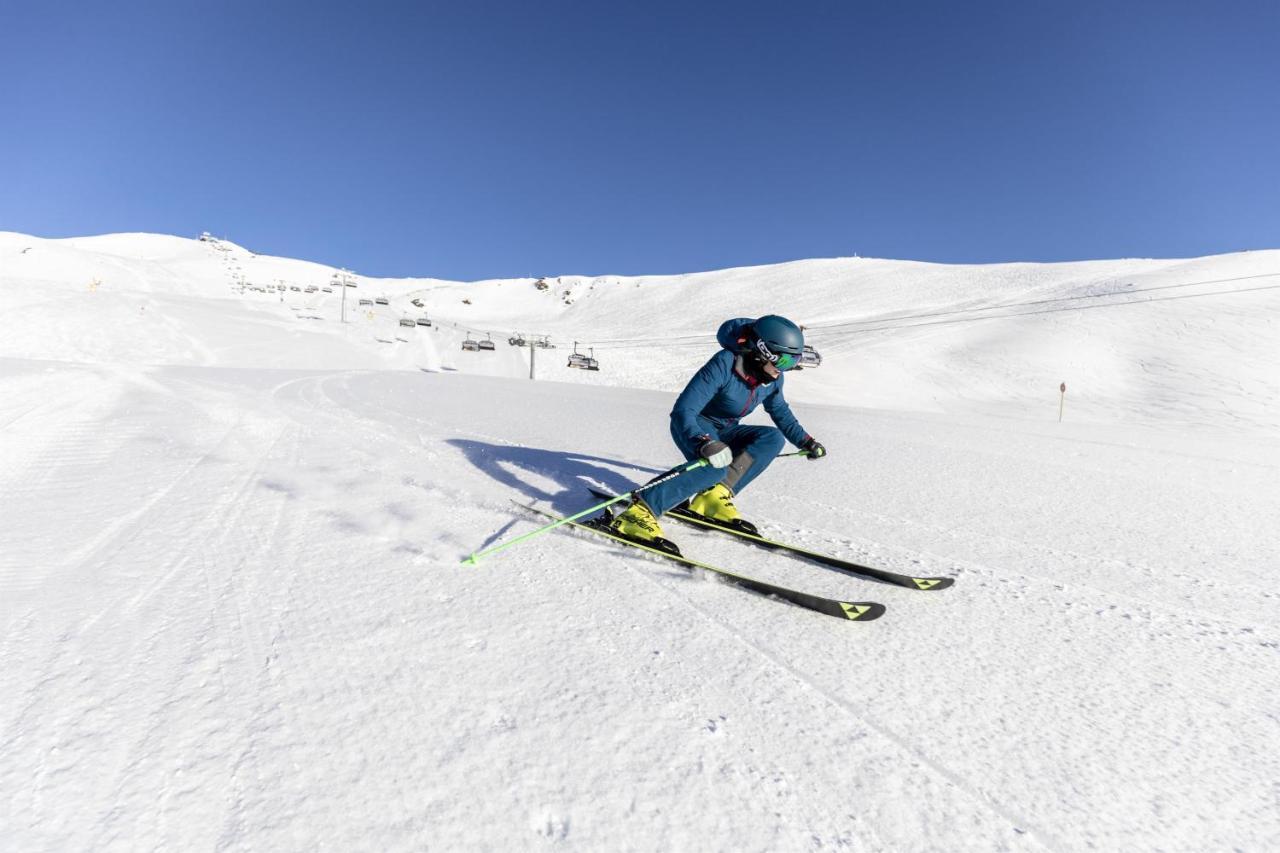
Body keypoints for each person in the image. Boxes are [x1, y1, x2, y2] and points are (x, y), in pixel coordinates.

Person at [610, 315, 826, 544]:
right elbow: (684, 411)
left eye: (794, 363)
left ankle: (713, 497)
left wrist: (806, 441)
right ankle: (640, 512)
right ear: (762, 351)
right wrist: (703, 442)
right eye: (784, 362)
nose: (785, 370)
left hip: (727, 430)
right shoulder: (724, 363)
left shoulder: (771, 379)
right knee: (715, 466)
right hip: (695, 426)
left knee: (772, 438)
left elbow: (780, 411)